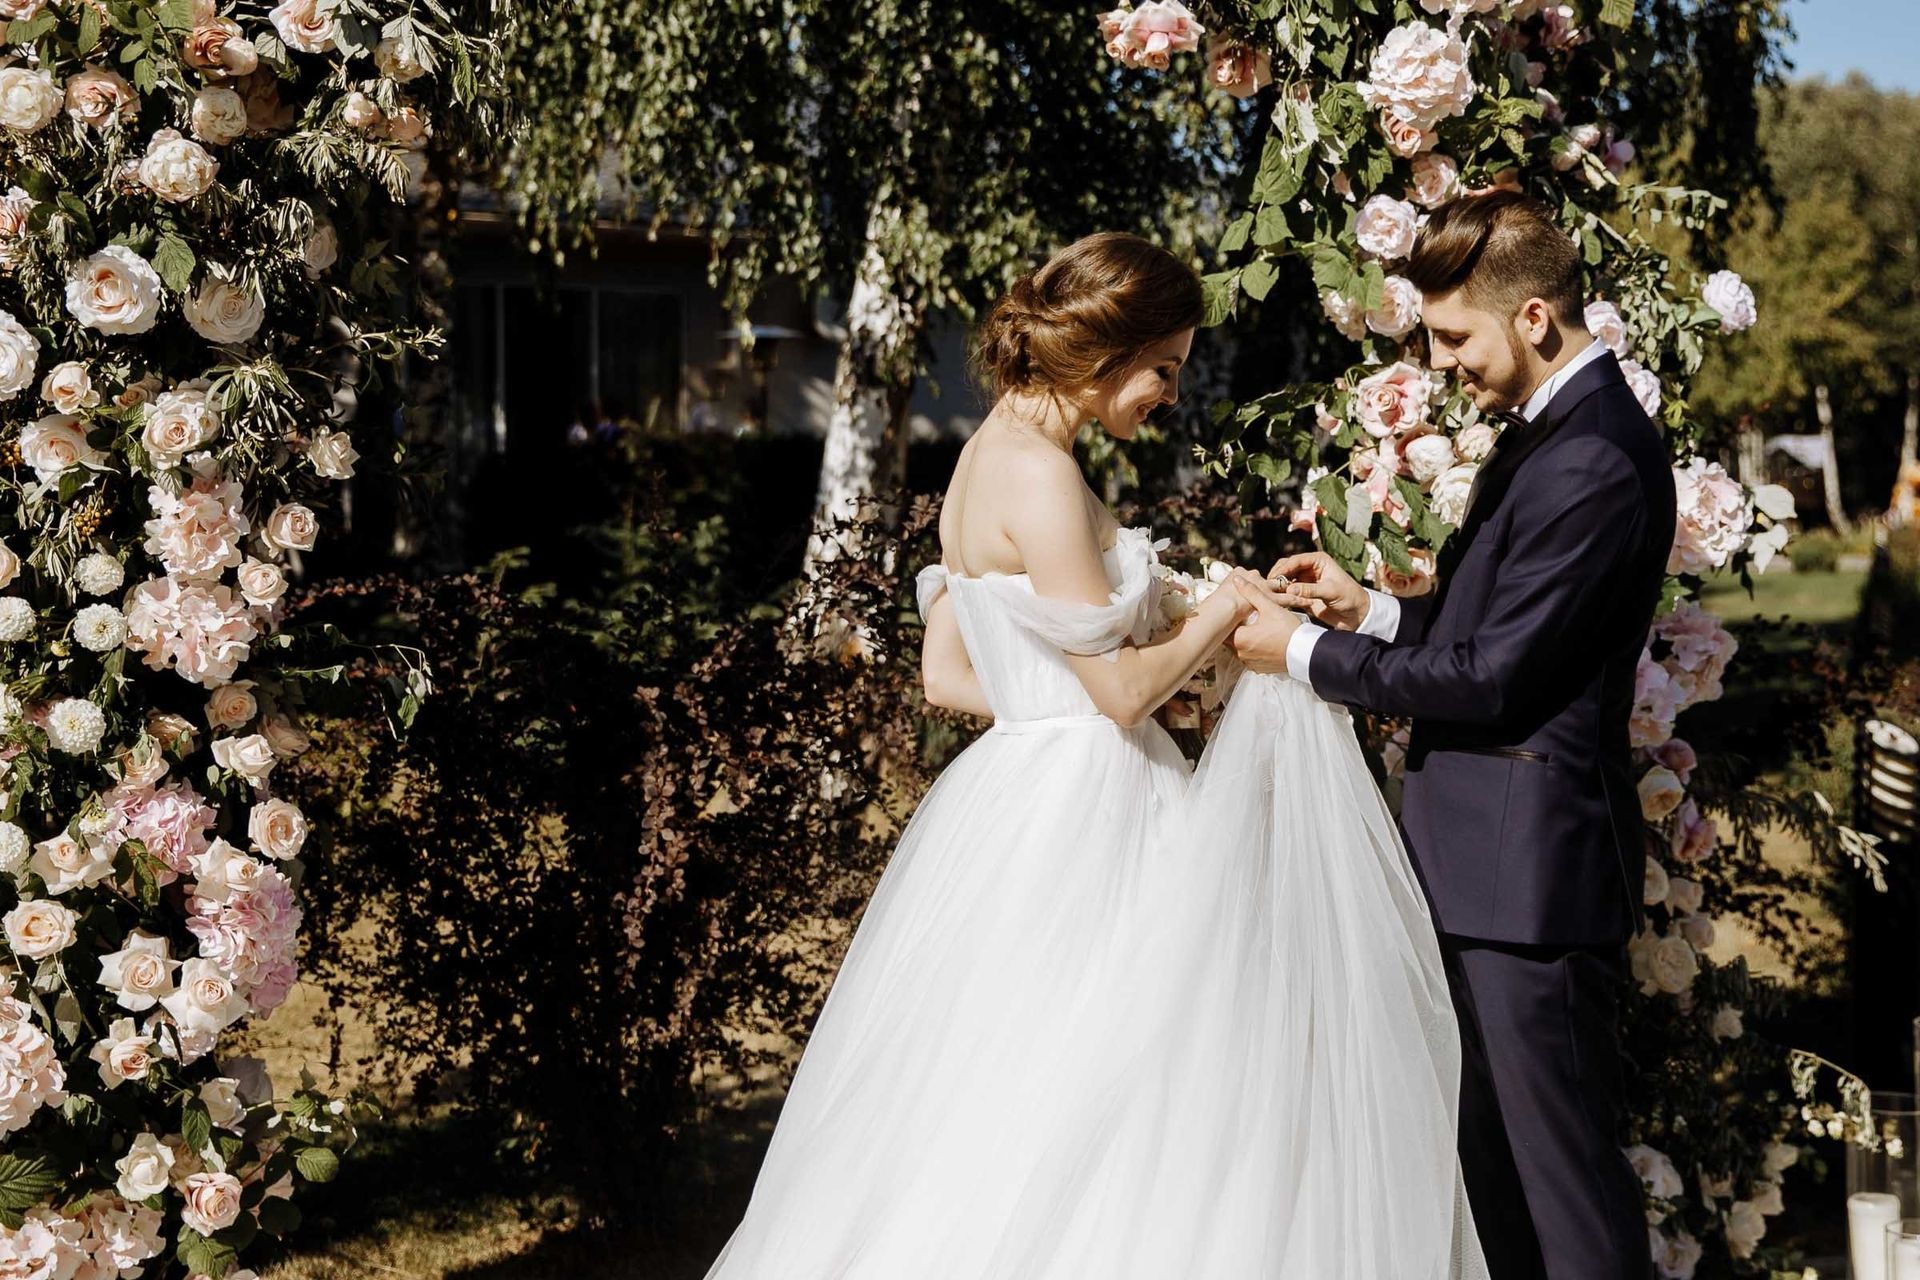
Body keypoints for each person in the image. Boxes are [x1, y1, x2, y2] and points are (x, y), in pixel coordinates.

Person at [703, 232, 1486, 1279]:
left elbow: (949, 672)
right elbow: (1119, 692)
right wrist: (1226, 611)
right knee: (1129, 1079)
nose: (1169, 389)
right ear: (1105, 349)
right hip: (1095, 806)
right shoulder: (1042, 477)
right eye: (1164, 364)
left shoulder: (983, 458)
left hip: (1013, 797)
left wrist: (1054, 698)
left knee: (1017, 1082)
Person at [1234, 190, 1676, 1280]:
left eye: (1453, 337)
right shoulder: (1558, 434)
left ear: (1532, 317)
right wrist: (1368, 611)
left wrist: (1295, 655)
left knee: (1565, 1193)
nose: (1440, 364)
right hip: (1483, 872)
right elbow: (1498, 635)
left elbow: (1492, 680)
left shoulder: (1594, 457)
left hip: (1529, 888)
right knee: (1498, 1186)